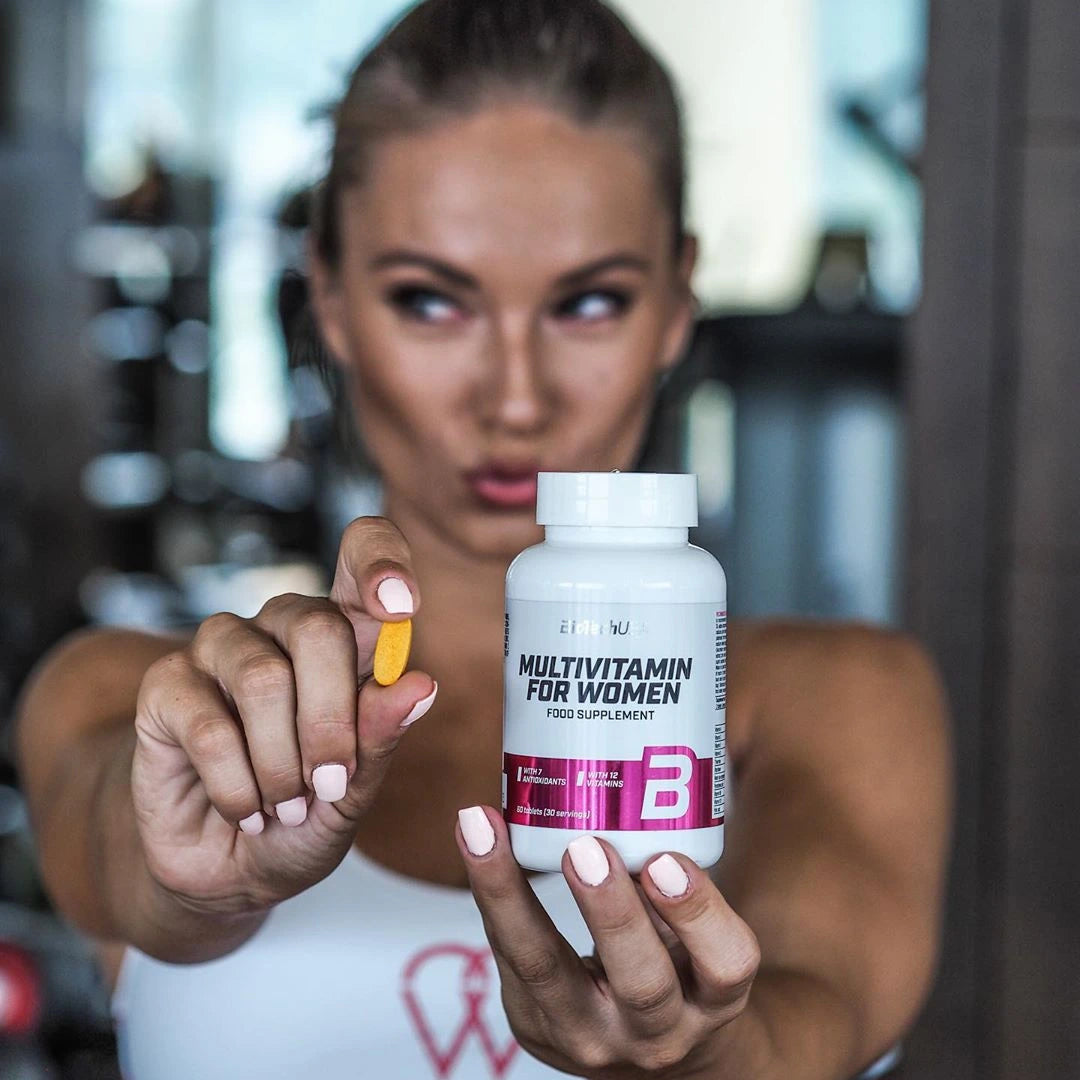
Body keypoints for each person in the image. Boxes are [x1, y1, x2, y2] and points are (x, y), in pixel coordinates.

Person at [15, 1, 950, 1077]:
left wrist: (702, 1055)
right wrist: (193, 878)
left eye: (589, 303)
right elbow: (134, 861)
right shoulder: (145, 707)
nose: (515, 397)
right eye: (431, 301)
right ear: (330, 297)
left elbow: (809, 1017)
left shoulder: (844, 700)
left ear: (677, 300)